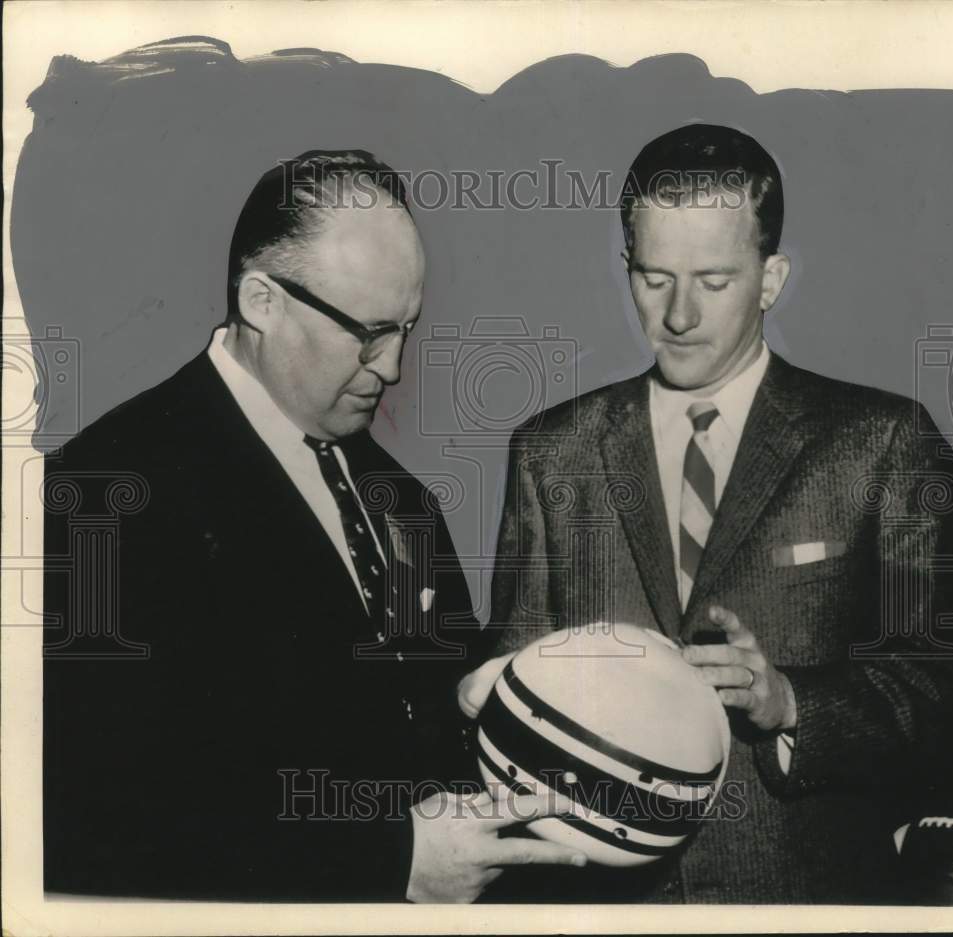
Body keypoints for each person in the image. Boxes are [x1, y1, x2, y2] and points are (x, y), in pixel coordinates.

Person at [462, 125, 953, 903]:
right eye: (653, 277)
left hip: (804, 903)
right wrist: (483, 693)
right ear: (626, 267)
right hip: (595, 910)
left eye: (713, 280)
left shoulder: (884, 442)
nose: (678, 313)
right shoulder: (553, 450)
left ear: (771, 277)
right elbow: (508, 668)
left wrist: (790, 702)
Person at [43, 150, 587, 902]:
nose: (393, 366)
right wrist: (390, 860)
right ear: (261, 301)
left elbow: (427, 730)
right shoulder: (101, 490)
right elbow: (86, 824)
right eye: (368, 332)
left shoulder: (401, 500)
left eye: (407, 329)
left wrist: (491, 708)